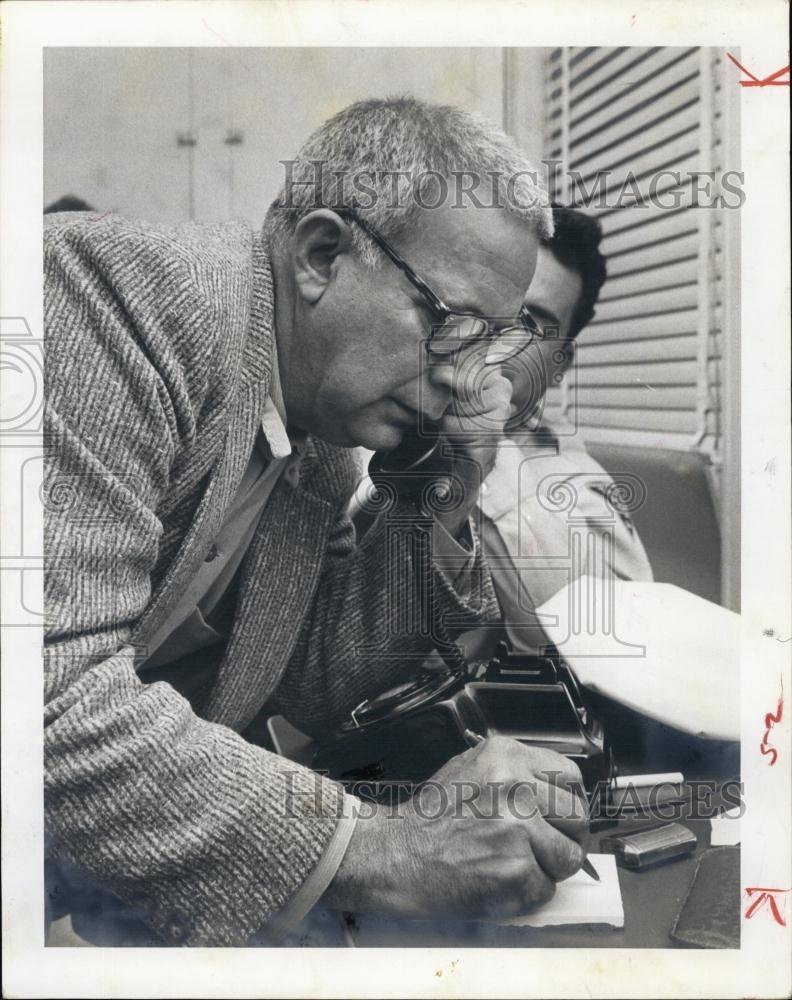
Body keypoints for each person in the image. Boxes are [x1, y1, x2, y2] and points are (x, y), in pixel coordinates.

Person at [43, 98, 589, 947]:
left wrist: (442, 487)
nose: (469, 381)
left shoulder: (321, 437)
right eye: (452, 327)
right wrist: (388, 847)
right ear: (320, 253)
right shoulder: (110, 298)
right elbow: (45, 696)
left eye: (493, 345)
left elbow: (308, 681)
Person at [474, 206, 654, 656]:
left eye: (532, 324)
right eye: (491, 299)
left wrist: (479, 452)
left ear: (559, 366)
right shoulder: (356, 421)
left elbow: (608, 646)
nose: (500, 336)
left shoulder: (580, 485)